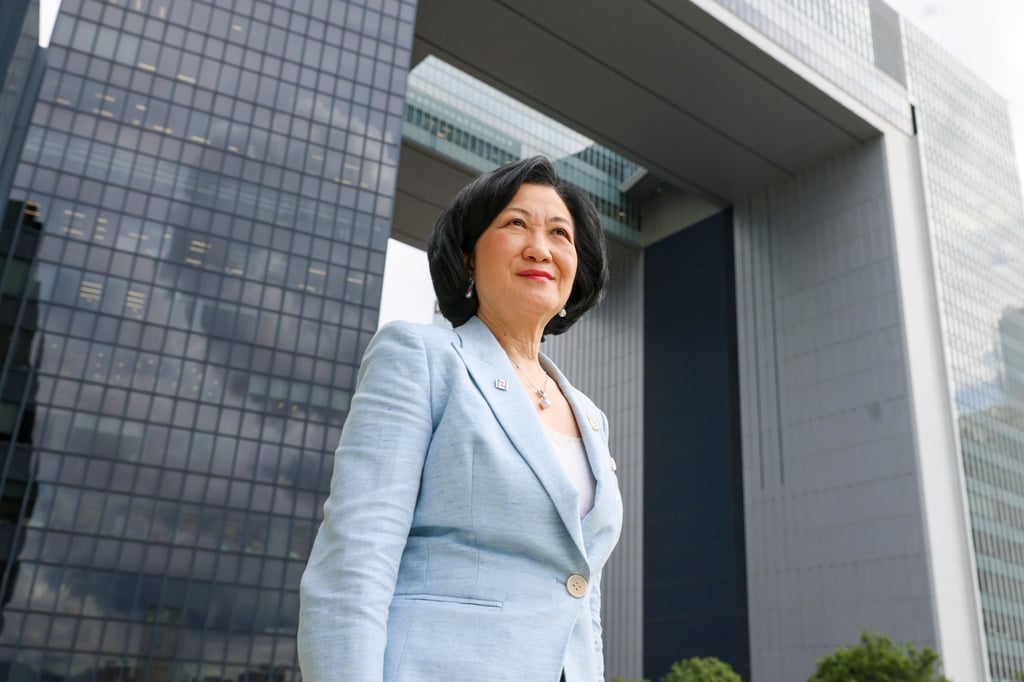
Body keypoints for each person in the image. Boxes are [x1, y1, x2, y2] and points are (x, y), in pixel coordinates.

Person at [297, 156, 623, 681]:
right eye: (516, 224)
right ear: (469, 256)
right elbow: (354, 560)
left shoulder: (590, 416)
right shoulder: (421, 357)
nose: (541, 246)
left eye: (559, 232)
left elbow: (582, 596)